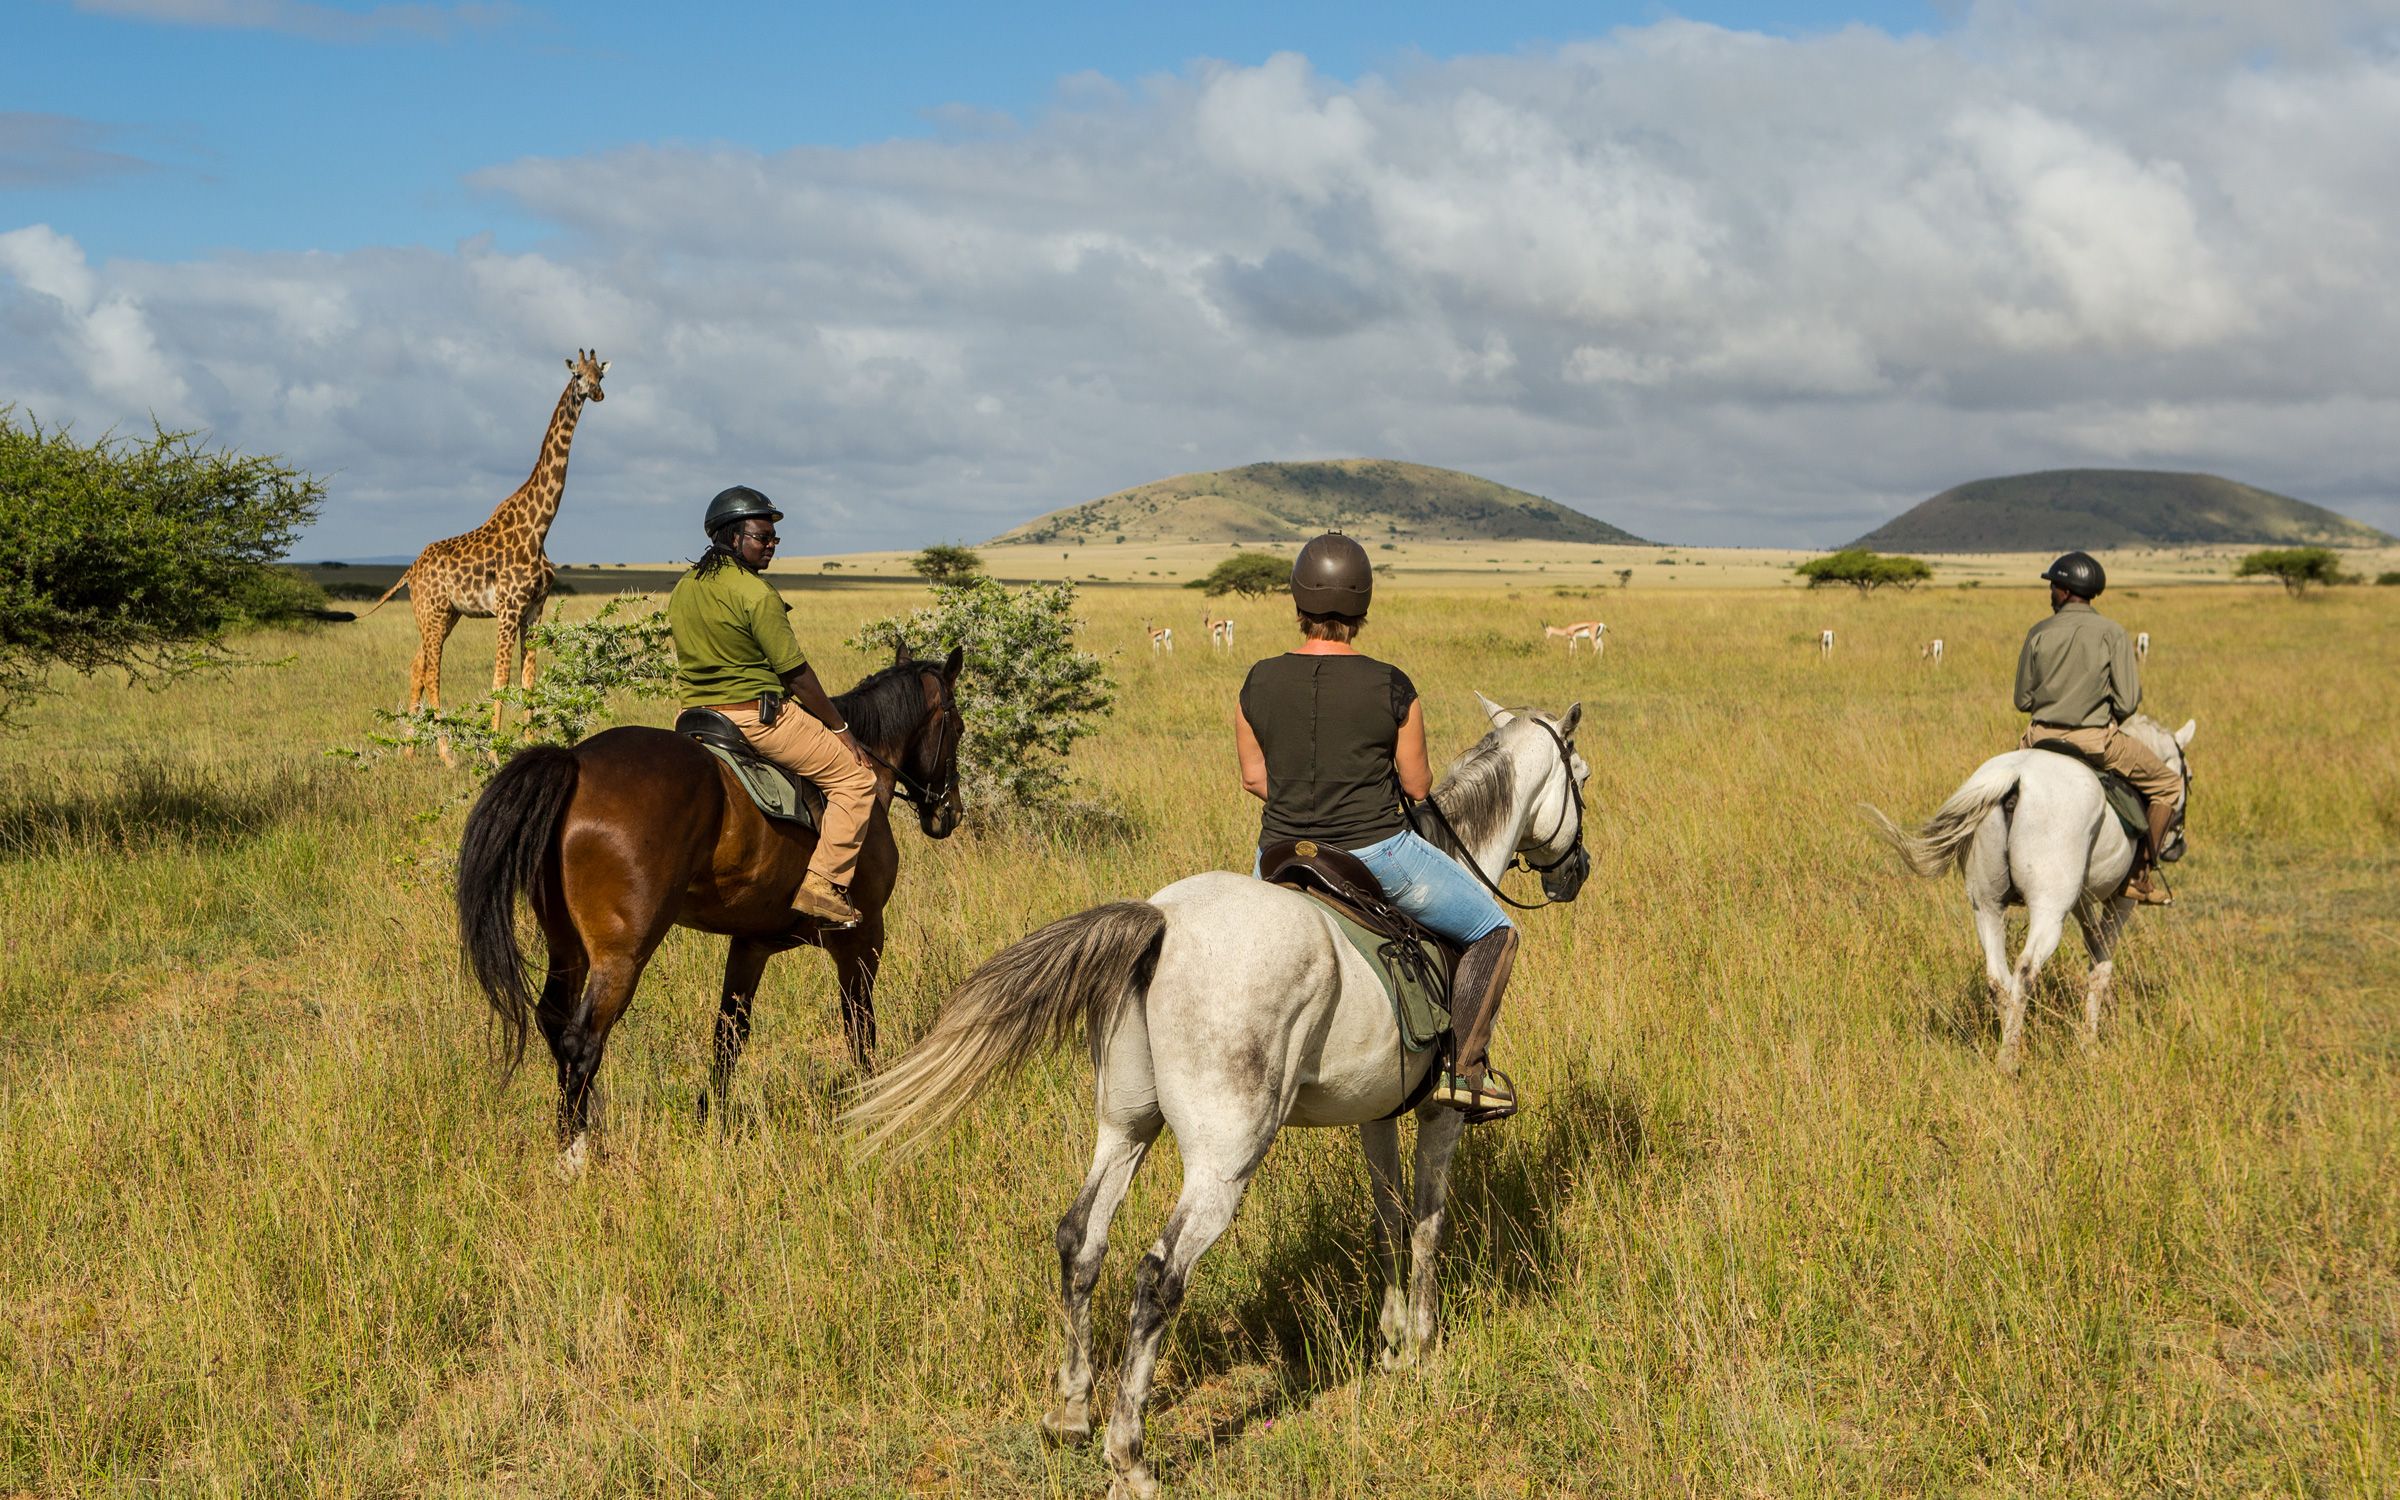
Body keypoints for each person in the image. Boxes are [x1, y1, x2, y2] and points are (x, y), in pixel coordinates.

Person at [1232, 533, 1520, 1120]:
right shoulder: (1392, 685)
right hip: (1377, 852)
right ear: (1361, 608)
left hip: (1277, 856)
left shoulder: (1257, 681)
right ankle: (1464, 1074)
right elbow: (1418, 787)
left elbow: (1254, 779)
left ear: (1298, 603)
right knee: (1496, 930)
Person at [668, 486, 879, 927]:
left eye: (774, 539)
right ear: (732, 537)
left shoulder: (685, 587)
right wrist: (842, 730)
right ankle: (823, 885)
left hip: (693, 718)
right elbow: (795, 674)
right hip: (755, 717)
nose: (771, 546)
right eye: (763, 537)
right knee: (857, 780)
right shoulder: (757, 593)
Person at [2014, 551, 2181, 905]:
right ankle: (2138, 874)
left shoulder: (2038, 632)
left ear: (2063, 590)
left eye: (2053, 585)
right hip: (2095, 742)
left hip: (2039, 738)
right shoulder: (2113, 632)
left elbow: (2022, 699)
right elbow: (2128, 702)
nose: (2051, 592)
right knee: (2168, 783)